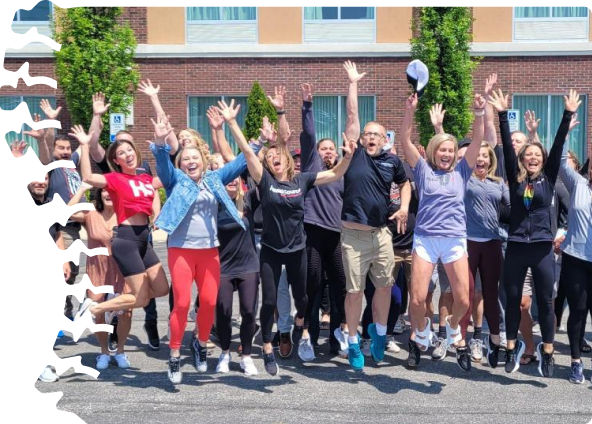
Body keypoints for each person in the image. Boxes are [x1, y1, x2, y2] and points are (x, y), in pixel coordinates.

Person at [218, 98, 356, 375]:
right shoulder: (265, 181)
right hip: (270, 249)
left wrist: (350, 156)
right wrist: (232, 123)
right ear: (267, 165)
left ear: (286, 161)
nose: (274, 158)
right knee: (269, 301)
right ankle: (267, 347)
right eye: (269, 157)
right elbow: (246, 151)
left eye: (277, 155)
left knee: (303, 298)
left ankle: (300, 322)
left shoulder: (302, 180)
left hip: (297, 249)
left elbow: (334, 173)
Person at [149, 114, 262, 384]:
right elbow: (163, 164)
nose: (190, 161)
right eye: (185, 158)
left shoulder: (214, 179)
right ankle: (175, 355)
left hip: (210, 251)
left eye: (194, 157)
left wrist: (258, 144)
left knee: (209, 304)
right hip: (182, 251)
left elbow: (238, 163)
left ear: (202, 159)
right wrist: (160, 142)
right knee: (183, 303)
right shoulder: (175, 180)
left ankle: (200, 344)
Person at [489, 88, 580, 377]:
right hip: (516, 246)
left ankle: (549, 351)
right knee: (514, 299)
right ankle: (510, 346)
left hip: (541, 247)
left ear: (542, 160)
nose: (532, 158)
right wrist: (502, 115)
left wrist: (567, 114)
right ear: (521, 159)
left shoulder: (549, 179)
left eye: (535, 155)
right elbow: (504, 143)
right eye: (527, 155)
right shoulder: (514, 179)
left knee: (546, 301)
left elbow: (556, 144)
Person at [401, 93, 485, 372]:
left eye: (450, 150)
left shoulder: (462, 172)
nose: (447, 154)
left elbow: (476, 142)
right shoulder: (423, 171)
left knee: (463, 299)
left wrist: (479, 112)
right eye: (442, 150)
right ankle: (422, 332)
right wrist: (410, 111)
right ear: (434, 151)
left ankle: (452, 331)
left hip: (453, 240)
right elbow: (404, 141)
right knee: (417, 298)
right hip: (425, 238)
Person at [340, 61, 411, 371]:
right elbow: (353, 116)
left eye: (376, 135)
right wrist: (353, 83)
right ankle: (354, 341)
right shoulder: (353, 153)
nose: (369, 137)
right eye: (367, 134)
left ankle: (380, 335)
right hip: (353, 237)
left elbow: (405, 183)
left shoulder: (392, 162)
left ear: (385, 140)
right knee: (354, 292)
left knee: (384, 287)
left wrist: (405, 207)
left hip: (382, 234)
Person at [72, 124, 170, 331]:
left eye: (129, 150)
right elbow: (88, 178)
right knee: (141, 298)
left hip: (144, 239)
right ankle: (93, 309)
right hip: (126, 241)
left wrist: (162, 144)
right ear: (116, 161)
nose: (127, 154)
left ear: (136, 152)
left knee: (162, 289)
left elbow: (171, 177)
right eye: (121, 153)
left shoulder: (146, 179)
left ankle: (113, 304)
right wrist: (84, 146)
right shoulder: (114, 179)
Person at [298, 82, 349, 358]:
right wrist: (307, 106)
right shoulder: (312, 168)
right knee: (313, 285)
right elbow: (308, 136)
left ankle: (338, 334)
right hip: (314, 232)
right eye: (323, 149)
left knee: (341, 284)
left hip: (337, 236)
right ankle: (308, 336)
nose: (328, 152)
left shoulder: (341, 173)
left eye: (331, 149)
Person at [68, 184, 133, 370]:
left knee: (125, 312)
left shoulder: (126, 213)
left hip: (123, 267)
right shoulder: (90, 213)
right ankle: (104, 352)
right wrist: (81, 189)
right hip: (98, 268)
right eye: (105, 190)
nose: (108, 193)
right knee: (99, 313)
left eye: (113, 190)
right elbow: (69, 212)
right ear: (99, 193)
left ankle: (120, 351)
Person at [557, 114, 592, 383]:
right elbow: (558, 161)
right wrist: (565, 130)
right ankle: (576, 361)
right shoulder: (578, 184)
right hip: (575, 259)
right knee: (578, 311)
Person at [215, 179, 261, 376]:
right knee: (223, 312)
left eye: (236, 178)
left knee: (249, 311)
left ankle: (246, 356)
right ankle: (224, 353)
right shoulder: (213, 203)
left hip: (248, 265)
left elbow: (261, 178)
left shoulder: (249, 199)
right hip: (222, 267)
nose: (232, 181)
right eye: (228, 178)